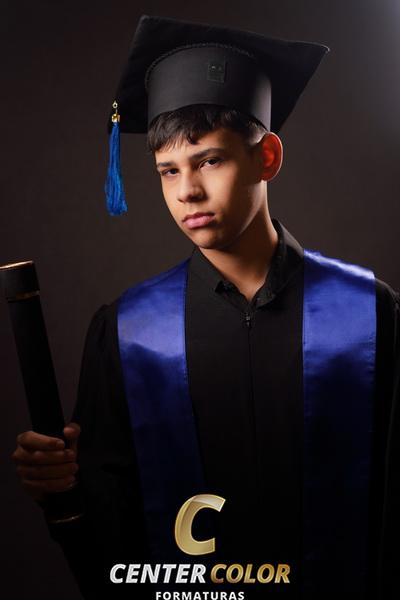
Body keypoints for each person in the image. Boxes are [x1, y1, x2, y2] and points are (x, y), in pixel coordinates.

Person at [11, 14, 400, 600]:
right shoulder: (131, 333)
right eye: (168, 170)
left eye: (210, 160)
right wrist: (61, 488)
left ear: (267, 157)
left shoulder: (367, 315)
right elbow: (111, 525)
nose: (186, 191)